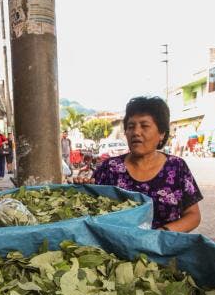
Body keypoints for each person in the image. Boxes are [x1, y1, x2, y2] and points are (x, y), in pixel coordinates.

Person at [75, 96, 203, 232]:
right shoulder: (110, 168)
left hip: (163, 248)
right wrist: (79, 191)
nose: (136, 132)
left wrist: (160, 234)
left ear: (161, 134)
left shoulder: (176, 167)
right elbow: (92, 209)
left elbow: (193, 216)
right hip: (117, 248)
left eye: (144, 126)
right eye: (131, 126)